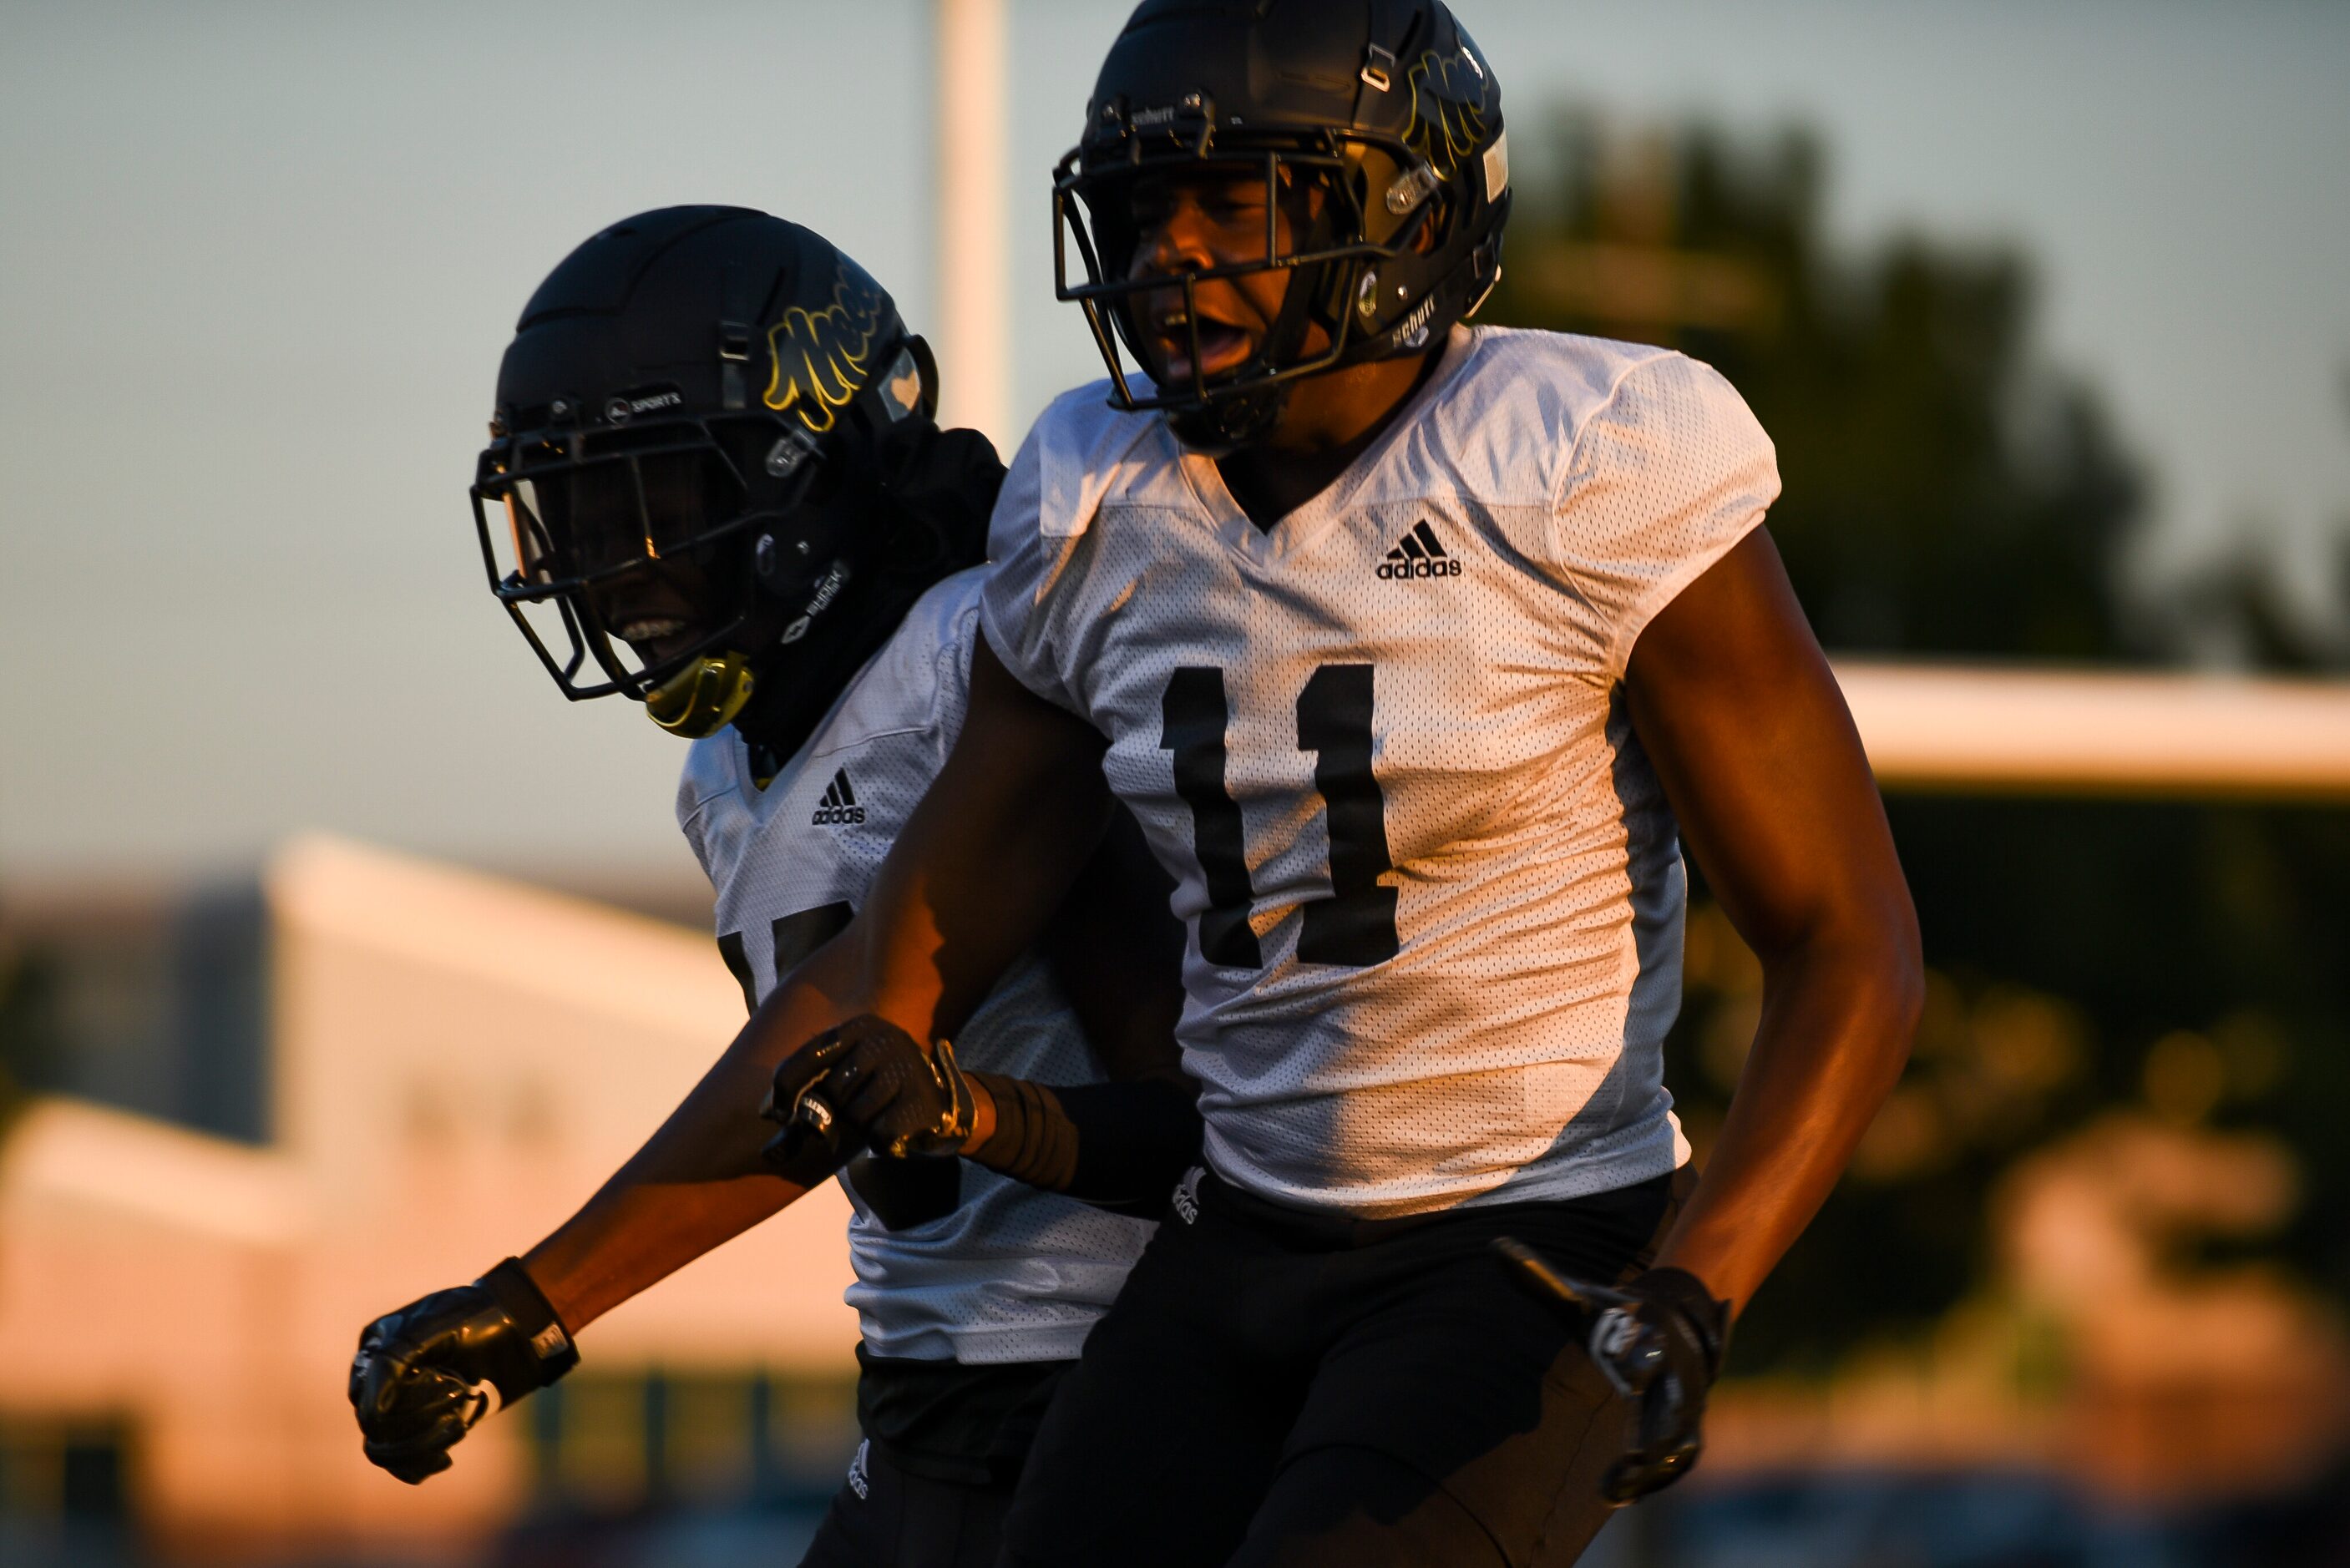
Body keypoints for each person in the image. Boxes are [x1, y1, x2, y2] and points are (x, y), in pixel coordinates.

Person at [384, 0, 1921, 1555]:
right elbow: (893, 965)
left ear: (1403, 207)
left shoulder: (1585, 454)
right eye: (1133, 213)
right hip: (1240, 1235)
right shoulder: (1099, 494)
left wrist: (1697, 1278)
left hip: (1520, 1235)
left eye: (1225, 201)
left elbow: (1846, 943)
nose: (1166, 255)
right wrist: (533, 1303)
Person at [347, 205, 1198, 1568]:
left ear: (814, 471)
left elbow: (1186, 1118)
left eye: (659, 501)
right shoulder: (723, 773)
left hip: (1107, 1376)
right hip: (922, 1381)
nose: (608, 564)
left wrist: (539, 1298)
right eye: (569, 510)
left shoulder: (974, 666)